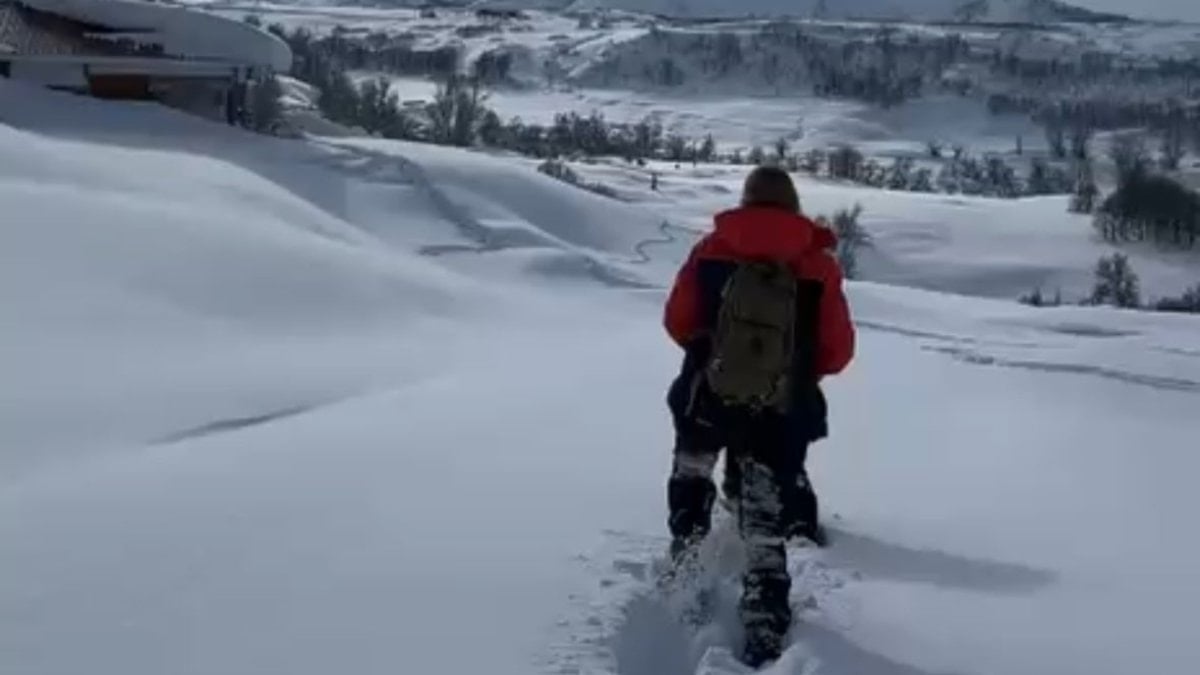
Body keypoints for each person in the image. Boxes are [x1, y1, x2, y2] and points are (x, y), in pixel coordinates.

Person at [662, 165, 855, 667]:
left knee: (692, 473)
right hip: (779, 408)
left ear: (746, 202)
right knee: (765, 521)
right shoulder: (817, 264)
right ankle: (764, 623)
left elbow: (678, 319)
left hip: (706, 393)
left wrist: (712, 355)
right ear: (792, 206)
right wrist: (794, 370)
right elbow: (837, 350)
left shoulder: (713, 248)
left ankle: (687, 562)